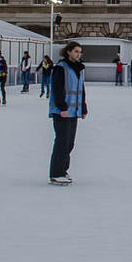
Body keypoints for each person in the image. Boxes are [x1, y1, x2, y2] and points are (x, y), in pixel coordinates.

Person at [48, 41, 88, 185]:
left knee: (69, 143)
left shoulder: (79, 69)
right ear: (68, 52)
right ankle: (56, 173)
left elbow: (81, 90)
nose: (78, 54)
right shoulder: (61, 68)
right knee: (61, 142)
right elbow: (57, 89)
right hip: (62, 111)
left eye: (80, 51)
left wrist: (83, 108)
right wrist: (62, 108)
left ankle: (63, 169)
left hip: (73, 111)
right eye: (76, 51)